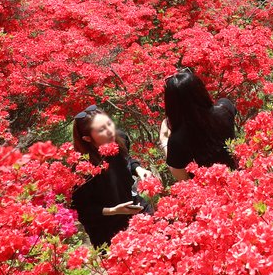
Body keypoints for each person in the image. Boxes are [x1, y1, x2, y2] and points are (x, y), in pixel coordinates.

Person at [70, 105, 155, 248]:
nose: (110, 131)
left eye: (109, 123)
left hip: (134, 207)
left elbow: (126, 159)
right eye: (101, 129)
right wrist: (114, 211)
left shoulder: (120, 138)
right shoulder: (81, 168)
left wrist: (139, 169)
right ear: (87, 138)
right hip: (107, 229)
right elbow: (83, 211)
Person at [162, 67, 239, 181]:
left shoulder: (178, 139)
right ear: (200, 90)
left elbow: (183, 179)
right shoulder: (225, 107)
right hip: (238, 181)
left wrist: (164, 140)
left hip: (209, 194)